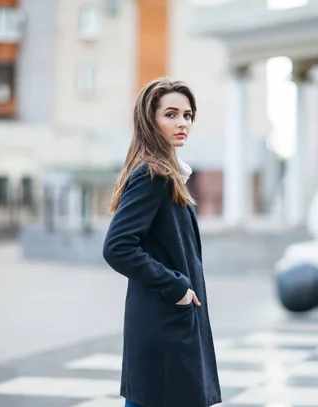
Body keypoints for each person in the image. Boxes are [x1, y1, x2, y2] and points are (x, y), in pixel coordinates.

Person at [103, 77, 222, 407]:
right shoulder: (151, 175)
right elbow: (118, 247)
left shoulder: (168, 174)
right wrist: (177, 288)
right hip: (164, 326)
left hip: (168, 324)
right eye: (171, 114)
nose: (182, 123)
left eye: (187, 115)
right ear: (149, 120)